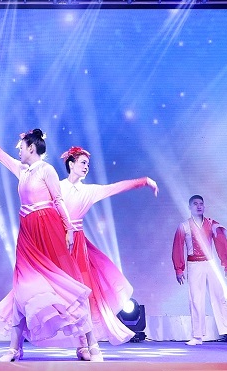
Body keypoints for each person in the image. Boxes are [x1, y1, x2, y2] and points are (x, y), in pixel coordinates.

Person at [0, 125, 96, 361]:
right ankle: (14, 348)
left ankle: (87, 344)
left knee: (64, 283)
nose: (19, 151)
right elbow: (0, 154)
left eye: (21, 147)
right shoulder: (21, 170)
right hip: (27, 234)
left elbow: (58, 200)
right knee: (22, 286)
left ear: (31, 148)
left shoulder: (46, 170)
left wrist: (69, 229)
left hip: (48, 230)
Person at [58, 146, 157, 354]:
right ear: (71, 164)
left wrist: (144, 181)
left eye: (88, 164)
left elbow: (115, 187)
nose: (86, 167)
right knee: (57, 292)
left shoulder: (89, 191)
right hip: (57, 243)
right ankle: (20, 343)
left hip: (78, 246)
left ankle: (86, 343)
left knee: (83, 293)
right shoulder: (57, 187)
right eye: (83, 163)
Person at [172, 195, 227, 346]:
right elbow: (177, 247)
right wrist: (179, 269)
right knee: (196, 299)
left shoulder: (211, 223)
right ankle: (197, 336)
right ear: (189, 207)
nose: (199, 206)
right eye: (195, 204)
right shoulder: (184, 226)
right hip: (194, 265)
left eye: (201, 204)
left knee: (220, 298)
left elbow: (221, 242)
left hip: (210, 264)